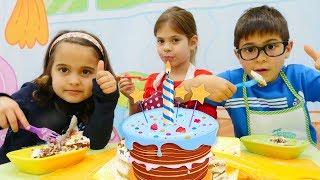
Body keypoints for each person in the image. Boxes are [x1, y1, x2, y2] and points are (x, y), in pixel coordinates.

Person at [181, 5, 320, 146]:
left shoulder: (300, 77)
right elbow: (175, 99)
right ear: (238, 55)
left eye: (271, 47)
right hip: (252, 165)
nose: (260, 58)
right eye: (250, 49)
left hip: (305, 164)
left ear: (287, 49)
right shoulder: (230, 83)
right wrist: (194, 85)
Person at [0, 30, 119, 164]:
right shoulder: (33, 94)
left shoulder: (94, 100)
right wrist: (3, 101)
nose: (74, 81)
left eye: (85, 71)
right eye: (64, 70)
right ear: (50, 70)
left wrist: (106, 100)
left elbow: (95, 144)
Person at [119, 6, 230, 118]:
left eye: (175, 40)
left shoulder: (204, 78)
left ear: (192, 42)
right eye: (161, 41)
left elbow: (208, 125)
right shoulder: (153, 82)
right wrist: (133, 99)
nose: (166, 47)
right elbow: (140, 123)